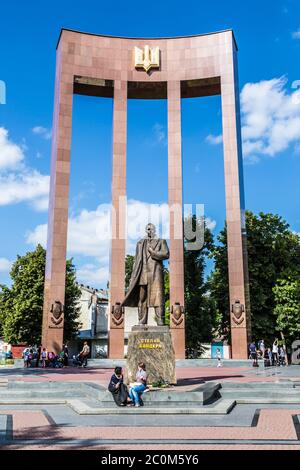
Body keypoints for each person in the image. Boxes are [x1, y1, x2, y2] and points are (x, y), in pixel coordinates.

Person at [122, 223, 169, 326]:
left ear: (154, 230)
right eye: (147, 229)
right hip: (142, 273)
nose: (149, 231)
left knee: (158, 297)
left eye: (151, 229)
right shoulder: (140, 243)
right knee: (142, 298)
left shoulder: (161, 241)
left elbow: (166, 254)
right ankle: (142, 320)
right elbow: (136, 260)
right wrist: (133, 276)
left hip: (155, 273)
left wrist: (154, 253)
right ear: (145, 230)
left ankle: (160, 320)